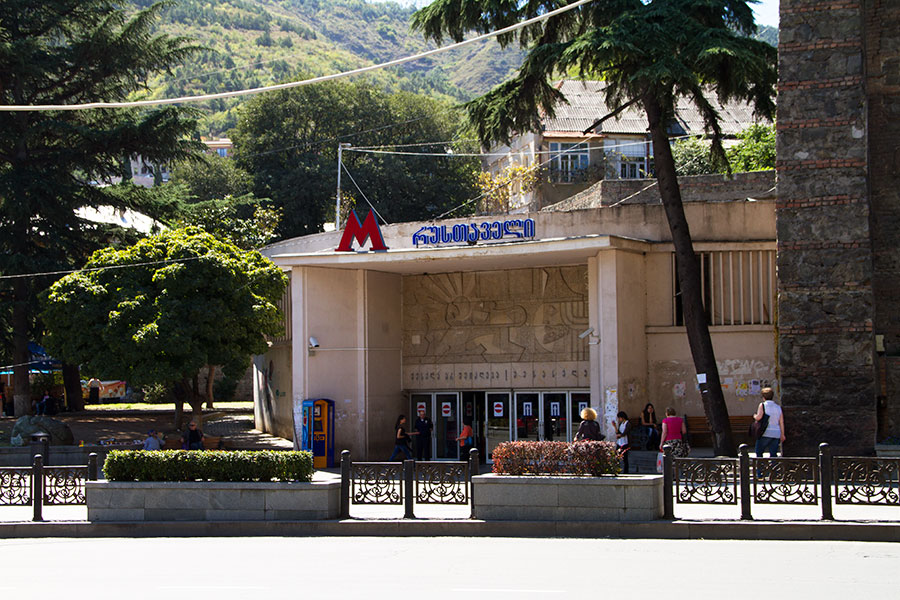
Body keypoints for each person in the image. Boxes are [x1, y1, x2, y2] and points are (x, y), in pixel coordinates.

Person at [753, 387, 785, 457]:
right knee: (773, 453)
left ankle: (760, 467)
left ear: (763, 397)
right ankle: (774, 467)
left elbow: (759, 417)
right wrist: (782, 434)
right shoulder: (778, 407)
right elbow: (781, 422)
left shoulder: (762, 405)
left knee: (759, 451)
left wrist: (755, 416)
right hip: (776, 432)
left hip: (765, 432)